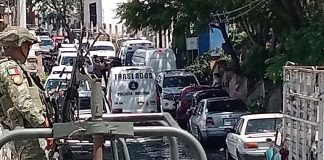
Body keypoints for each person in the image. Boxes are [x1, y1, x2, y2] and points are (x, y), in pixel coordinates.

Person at [0, 26, 52, 160]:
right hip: (24, 138)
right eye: (27, 46)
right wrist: (45, 128)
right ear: (18, 45)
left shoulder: (15, 67)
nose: (29, 50)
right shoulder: (10, 68)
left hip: (24, 135)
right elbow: (23, 103)